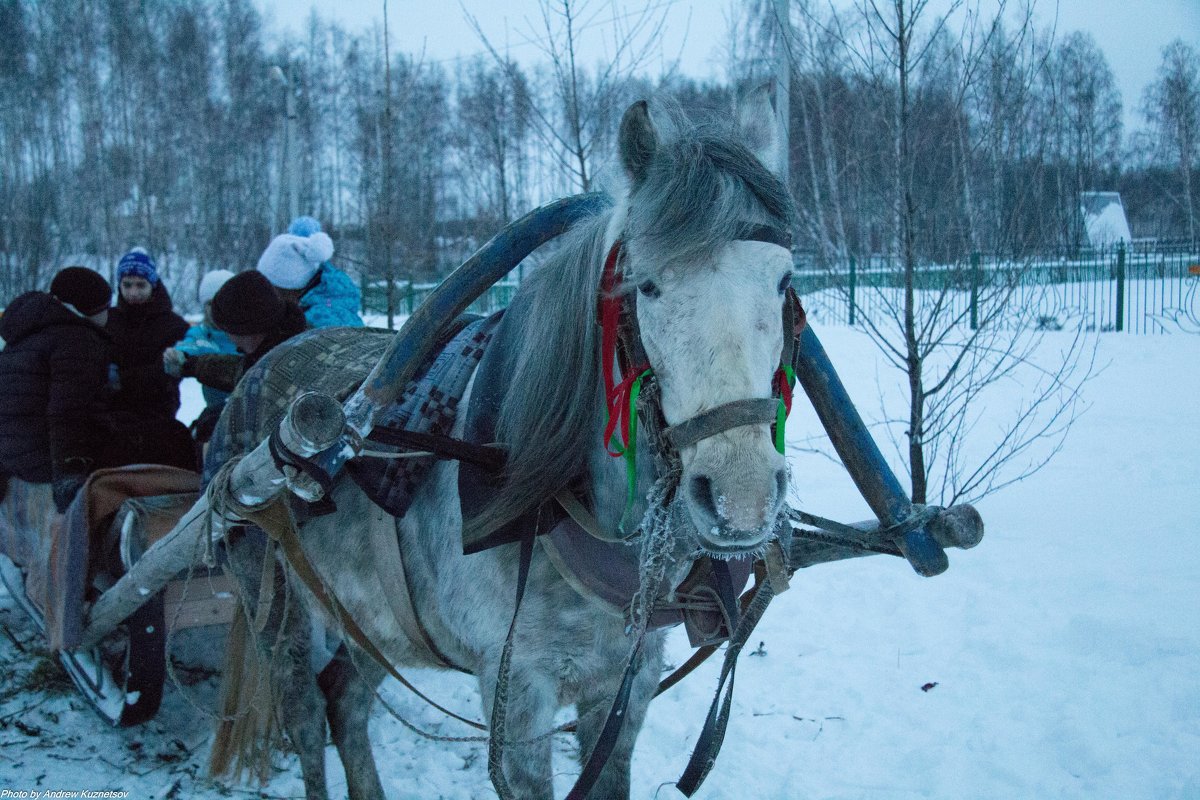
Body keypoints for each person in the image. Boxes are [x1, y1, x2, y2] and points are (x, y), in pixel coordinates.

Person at [0, 267, 114, 512]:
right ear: (92, 310)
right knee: (166, 437)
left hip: (11, 455)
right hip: (43, 461)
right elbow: (68, 410)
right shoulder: (77, 339)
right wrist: (69, 472)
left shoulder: (26, 330)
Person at [105, 248, 196, 471]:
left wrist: (123, 379)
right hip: (115, 416)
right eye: (127, 285)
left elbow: (170, 370)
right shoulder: (110, 321)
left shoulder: (173, 325)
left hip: (158, 413)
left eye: (140, 285)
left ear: (152, 285)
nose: (133, 292)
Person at [176, 270, 308, 395]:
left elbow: (246, 375)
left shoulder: (282, 371)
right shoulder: (289, 343)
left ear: (247, 330)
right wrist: (191, 364)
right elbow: (241, 369)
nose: (235, 344)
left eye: (229, 331)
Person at [162, 269, 238, 444]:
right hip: (216, 413)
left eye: (224, 302)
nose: (218, 310)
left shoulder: (245, 332)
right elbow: (187, 347)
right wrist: (177, 357)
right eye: (212, 304)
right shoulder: (202, 334)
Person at [256, 216, 364, 329]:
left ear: (294, 290)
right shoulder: (320, 301)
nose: (264, 297)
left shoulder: (320, 324)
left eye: (273, 290)